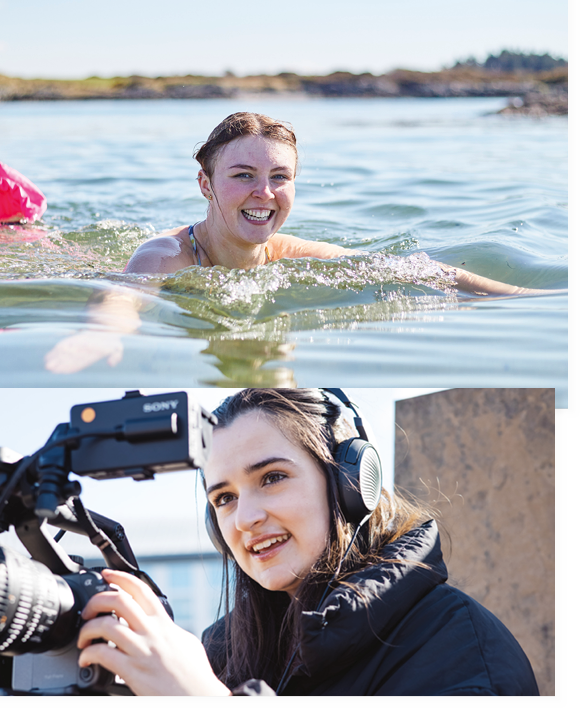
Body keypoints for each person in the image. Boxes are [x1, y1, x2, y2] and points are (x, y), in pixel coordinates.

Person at [75, 388, 539, 695]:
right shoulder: (219, 652)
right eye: (225, 498)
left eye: (272, 477)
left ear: (353, 483)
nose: (246, 518)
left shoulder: (459, 646)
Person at [45, 111, 552, 373]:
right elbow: (125, 296)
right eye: (242, 175)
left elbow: (413, 271)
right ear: (206, 185)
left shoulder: (291, 254)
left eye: (279, 178)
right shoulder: (166, 255)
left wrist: (532, 303)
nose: (263, 193)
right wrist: (103, 333)